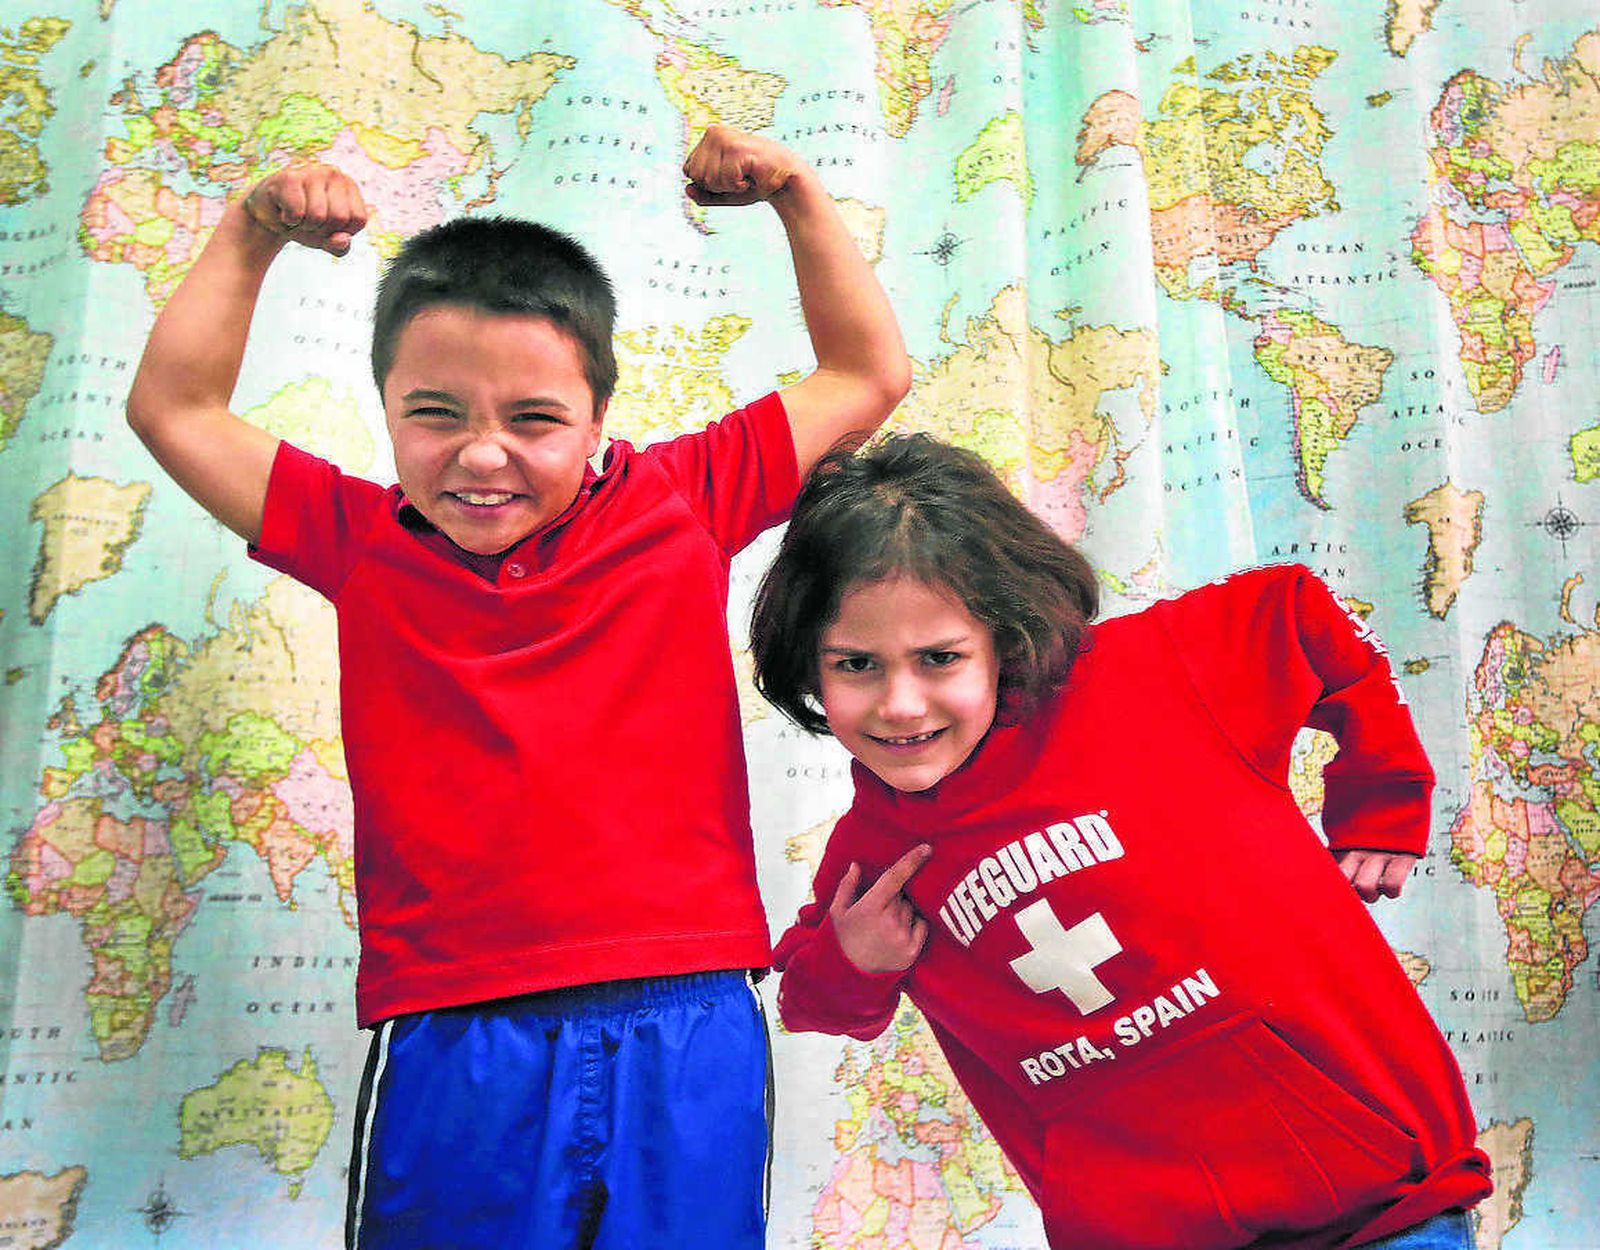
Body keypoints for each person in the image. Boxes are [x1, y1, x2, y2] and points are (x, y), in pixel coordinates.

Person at [124, 126, 910, 1249]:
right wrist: (254, 231)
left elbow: (866, 374)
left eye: (534, 419)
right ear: (385, 407)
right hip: (458, 1030)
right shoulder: (356, 539)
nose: (482, 455)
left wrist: (794, 194)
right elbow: (175, 409)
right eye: (434, 412)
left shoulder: (682, 499)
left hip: (688, 1013)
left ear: (598, 420)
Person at [752, 435, 1493, 1250]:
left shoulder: (1156, 673)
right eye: (856, 664)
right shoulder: (876, 852)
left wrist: (1383, 795)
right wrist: (856, 959)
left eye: (940, 657)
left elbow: (1302, 616)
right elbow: (809, 1001)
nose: (899, 703)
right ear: (808, 667)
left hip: (1382, 1206)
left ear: (1004, 635)